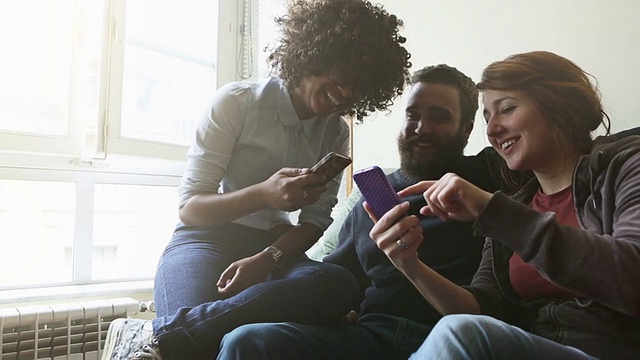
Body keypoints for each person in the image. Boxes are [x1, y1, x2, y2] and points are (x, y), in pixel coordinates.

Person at [100, 1, 411, 359]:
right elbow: (190, 208)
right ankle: (170, 335)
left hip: (274, 248)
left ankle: (155, 334)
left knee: (338, 283)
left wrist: (267, 258)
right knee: (200, 347)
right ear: (314, 53)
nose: (345, 93)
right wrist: (265, 195)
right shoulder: (236, 103)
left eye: (358, 86)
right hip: (203, 240)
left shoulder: (335, 133)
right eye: (342, 74)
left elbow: (315, 220)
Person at [217, 64, 521, 359]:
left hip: (450, 336)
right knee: (246, 342)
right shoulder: (374, 193)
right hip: (368, 337)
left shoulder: (495, 174)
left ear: (467, 130)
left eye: (439, 118)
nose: (421, 128)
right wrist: (335, 311)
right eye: (412, 115)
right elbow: (339, 276)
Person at [367, 51, 640, 359]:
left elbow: (632, 279)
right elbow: (483, 308)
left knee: (461, 335)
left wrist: (492, 211)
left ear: (559, 106)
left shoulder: (626, 166)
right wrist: (409, 264)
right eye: (487, 117)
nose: (492, 130)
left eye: (506, 109)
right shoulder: (516, 204)